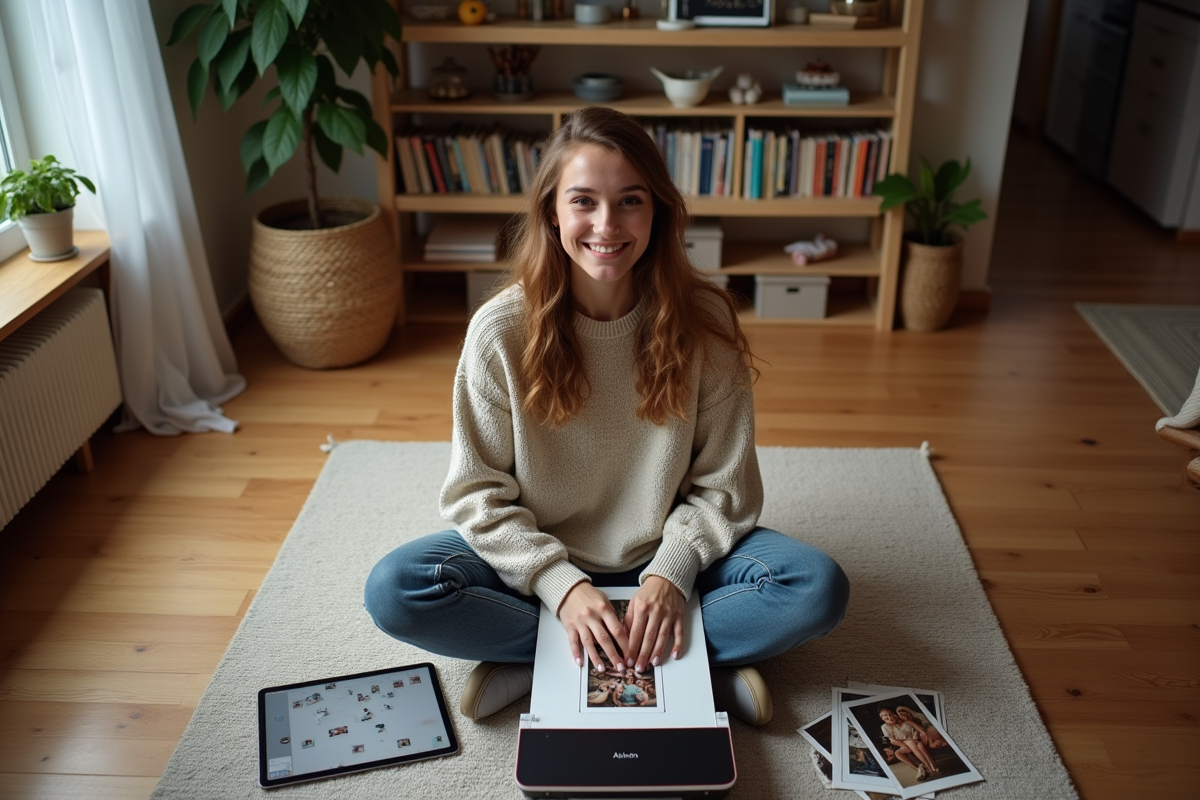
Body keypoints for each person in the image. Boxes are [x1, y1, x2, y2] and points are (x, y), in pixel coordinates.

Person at [363, 106, 850, 726]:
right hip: (540, 557)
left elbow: (725, 486)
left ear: (659, 211)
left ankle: (551, 663)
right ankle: (681, 662)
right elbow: (476, 495)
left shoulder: (705, 322)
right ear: (552, 213)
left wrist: (671, 577)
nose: (606, 224)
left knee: (817, 588)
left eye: (630, 201)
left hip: (668, 552)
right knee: (395, 590)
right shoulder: (500, 332)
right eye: (584, 201)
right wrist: (561, 587)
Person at [879, 707, 939, 782]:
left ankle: (929, 767)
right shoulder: (889, 727)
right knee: (898, 753)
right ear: (882, 718)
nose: (890, 717)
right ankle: (919, 769)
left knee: (911, 742)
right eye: (886, 716)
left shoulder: (907, 722)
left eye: (891, 715)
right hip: (906, 744)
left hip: (916, 741)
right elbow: (892, 740)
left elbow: (920, 730)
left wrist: (916, 734)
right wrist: (901, 743)